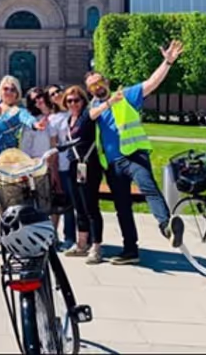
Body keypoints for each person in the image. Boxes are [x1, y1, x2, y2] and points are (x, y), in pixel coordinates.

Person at [86, 39, 186, 265]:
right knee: (122, 207)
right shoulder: (95, 108)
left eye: (98, 82)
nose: (96, 87)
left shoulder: (126, 95)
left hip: (133, 156)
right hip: (112, 164)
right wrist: (105, 104)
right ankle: (130, 250)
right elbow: (88, 119)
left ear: (107, 82)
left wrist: (167, 62)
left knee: (149, 188)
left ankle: (167, 227)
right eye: (91, 86)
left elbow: (151, 83)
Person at [61, 85, 104, 264]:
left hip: (89, 165)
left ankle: (96, 246)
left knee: (91, 207)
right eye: (69, 100)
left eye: (76, 100)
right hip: (74, 166)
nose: (73, 103)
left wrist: (110, 100)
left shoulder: (87, 115)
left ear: (83, 101)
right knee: (78, 207)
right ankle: (81, 244)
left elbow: (99, 109)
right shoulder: (69, 118)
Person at [45, 84, 76, 250]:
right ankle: (69, 237)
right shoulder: (53, 119)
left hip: (80, 163)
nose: (56, 95)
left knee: (84, 202)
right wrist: (54, 171)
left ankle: (90, 237)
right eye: (52, 94)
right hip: (64, 165)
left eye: (58, 91)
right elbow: (53, 147)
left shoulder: (75, 108)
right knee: (68, 203)